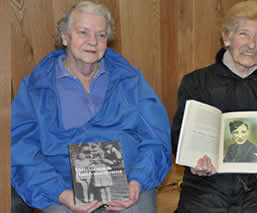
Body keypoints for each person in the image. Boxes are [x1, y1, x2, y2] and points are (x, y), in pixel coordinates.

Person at [11, 1, 171, 213]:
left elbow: (156, 139)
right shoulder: (35, 88)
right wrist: (60, 192)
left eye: (101, 35)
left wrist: (138, 181)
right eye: (83, 32)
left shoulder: (130, 80)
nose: (93, 42)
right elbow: (21, 150)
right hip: (62, 187)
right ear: (65, 37)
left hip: (127, 182)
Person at [171, 1, 257, 212]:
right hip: (208, 184)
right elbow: (180, 134)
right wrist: (193, 160)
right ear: (226, 38)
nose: (251, 44)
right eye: (243, 34)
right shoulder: (196, 82)